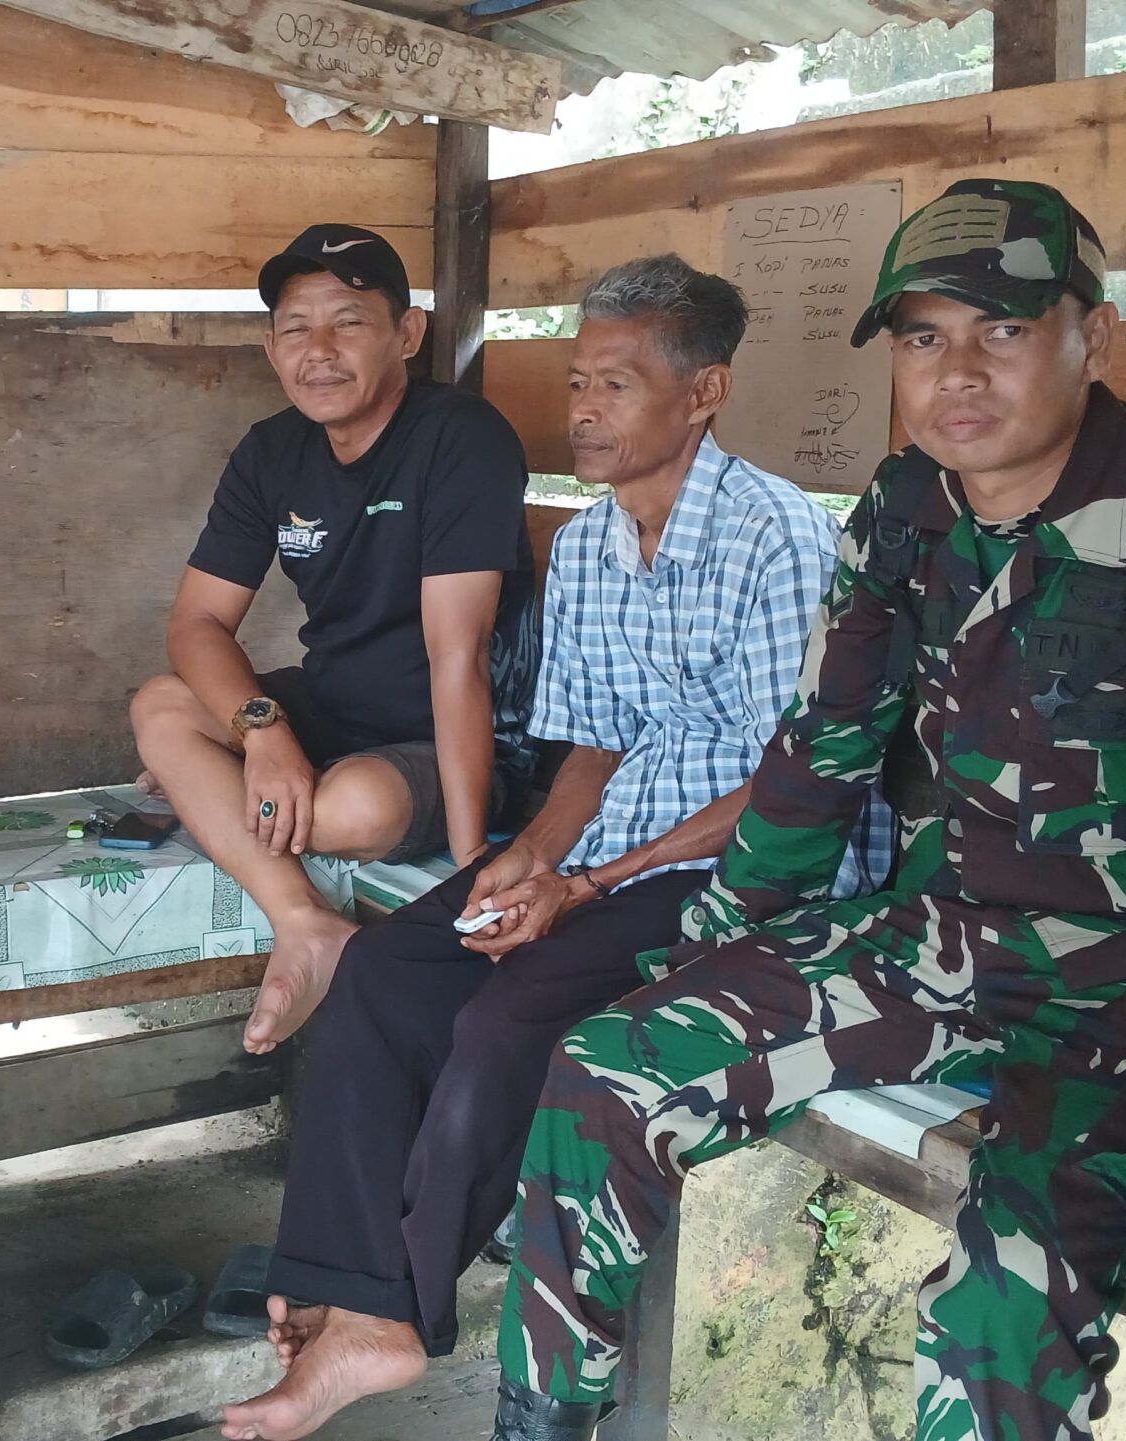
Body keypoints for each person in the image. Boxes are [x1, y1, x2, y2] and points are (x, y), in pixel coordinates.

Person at [489, 180, 1126, 1441]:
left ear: (1092, 337)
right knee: (603, 1070)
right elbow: (819, 755)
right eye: (922, 337)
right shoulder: (909, 506)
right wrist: (708, 952)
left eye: (1001, 329)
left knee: (1001, 1291)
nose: (956, 372)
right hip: (951, 938)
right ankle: (538, 1423)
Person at [222, 255, 883, 1441]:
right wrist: (530, 854)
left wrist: (586, 885)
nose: (582, 410)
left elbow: (786, 784)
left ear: (703, 393)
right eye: (577, 382)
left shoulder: (776, 535)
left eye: (615, 386)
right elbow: (590, 746)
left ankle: (391, 1310)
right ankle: (334, 1278)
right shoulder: (586, 546)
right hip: (610, 852)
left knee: (508, 1015)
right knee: (386, 968)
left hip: (746, 874)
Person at [131, 222, 540, 1057]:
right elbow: (196, 622)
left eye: (349, 322)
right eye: (295, 327)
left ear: (408, 333)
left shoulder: (461, 439)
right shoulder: (272, 450)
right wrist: (263, 733)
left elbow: (458, 656)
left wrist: (469, 859)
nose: (319, 350)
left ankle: (217, 788)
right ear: (271, 348)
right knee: (162, 707)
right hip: (334, 712)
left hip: (453, 738)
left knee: (353, 807)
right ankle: (304, 922)